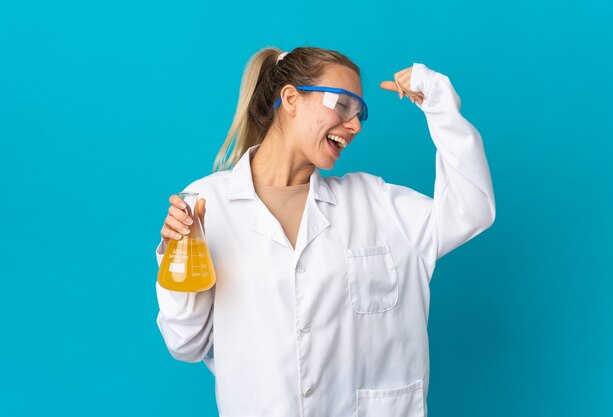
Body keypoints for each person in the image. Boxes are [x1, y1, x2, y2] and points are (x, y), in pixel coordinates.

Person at [155, 46, 495, 417]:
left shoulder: (375, 203)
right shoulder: (208, 204)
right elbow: (184, 344)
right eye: (343, 105)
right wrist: (177, 255)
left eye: (360, 113)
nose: (355, 125)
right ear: (290, 99)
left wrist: (439, 104)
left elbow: (471, 209)